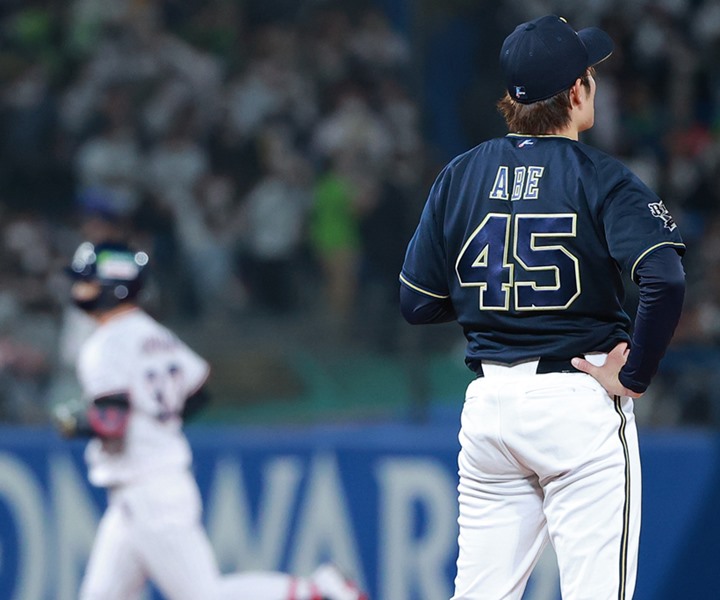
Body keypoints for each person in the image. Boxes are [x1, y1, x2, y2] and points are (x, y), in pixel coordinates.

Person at [399, 15, 686, 600]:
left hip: (490, 407)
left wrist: (503, 301)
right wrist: (632, 376)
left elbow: (416, 302)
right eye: (591, 74)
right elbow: (665, 277)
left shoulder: (461, 173)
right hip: (575, 398)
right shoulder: (604, 177)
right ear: (578, 90)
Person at [53, 240, 366, 600]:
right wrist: (159, 423)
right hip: (142, 491)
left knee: (206, 596)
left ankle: (318, 589)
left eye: (88, 280)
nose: (79, 287)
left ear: (112, 286)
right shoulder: (155, 334)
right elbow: (198, 391)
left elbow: (112, 422)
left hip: (149, 490)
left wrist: (73, 423)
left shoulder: (104, 344)